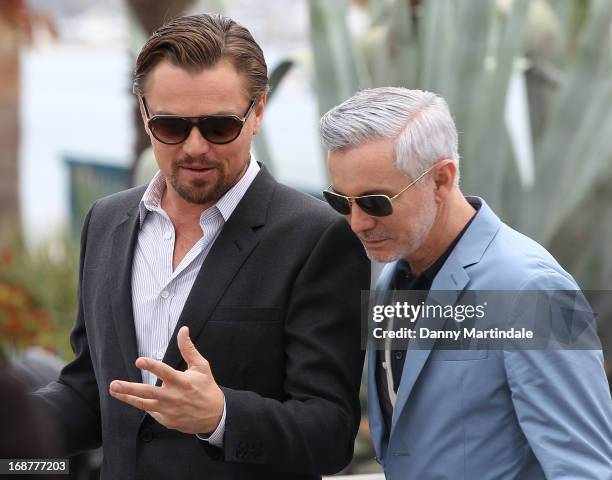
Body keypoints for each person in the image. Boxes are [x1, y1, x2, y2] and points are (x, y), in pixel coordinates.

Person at [34, 14, 370, 480]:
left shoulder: (316, 238)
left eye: (218, 126)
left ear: (258, 112)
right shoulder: (106, 221)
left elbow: (332, 434)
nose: (195, 147)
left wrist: (221, 417)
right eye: (171, 126)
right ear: (144, 114)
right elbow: (94, 388)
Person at [319, 87, 612, 479]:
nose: (357, 223)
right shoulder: (395, 272)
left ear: (442, 179)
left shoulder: (533, 289)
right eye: (341, 201)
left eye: (375, 202)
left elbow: (584, 468)